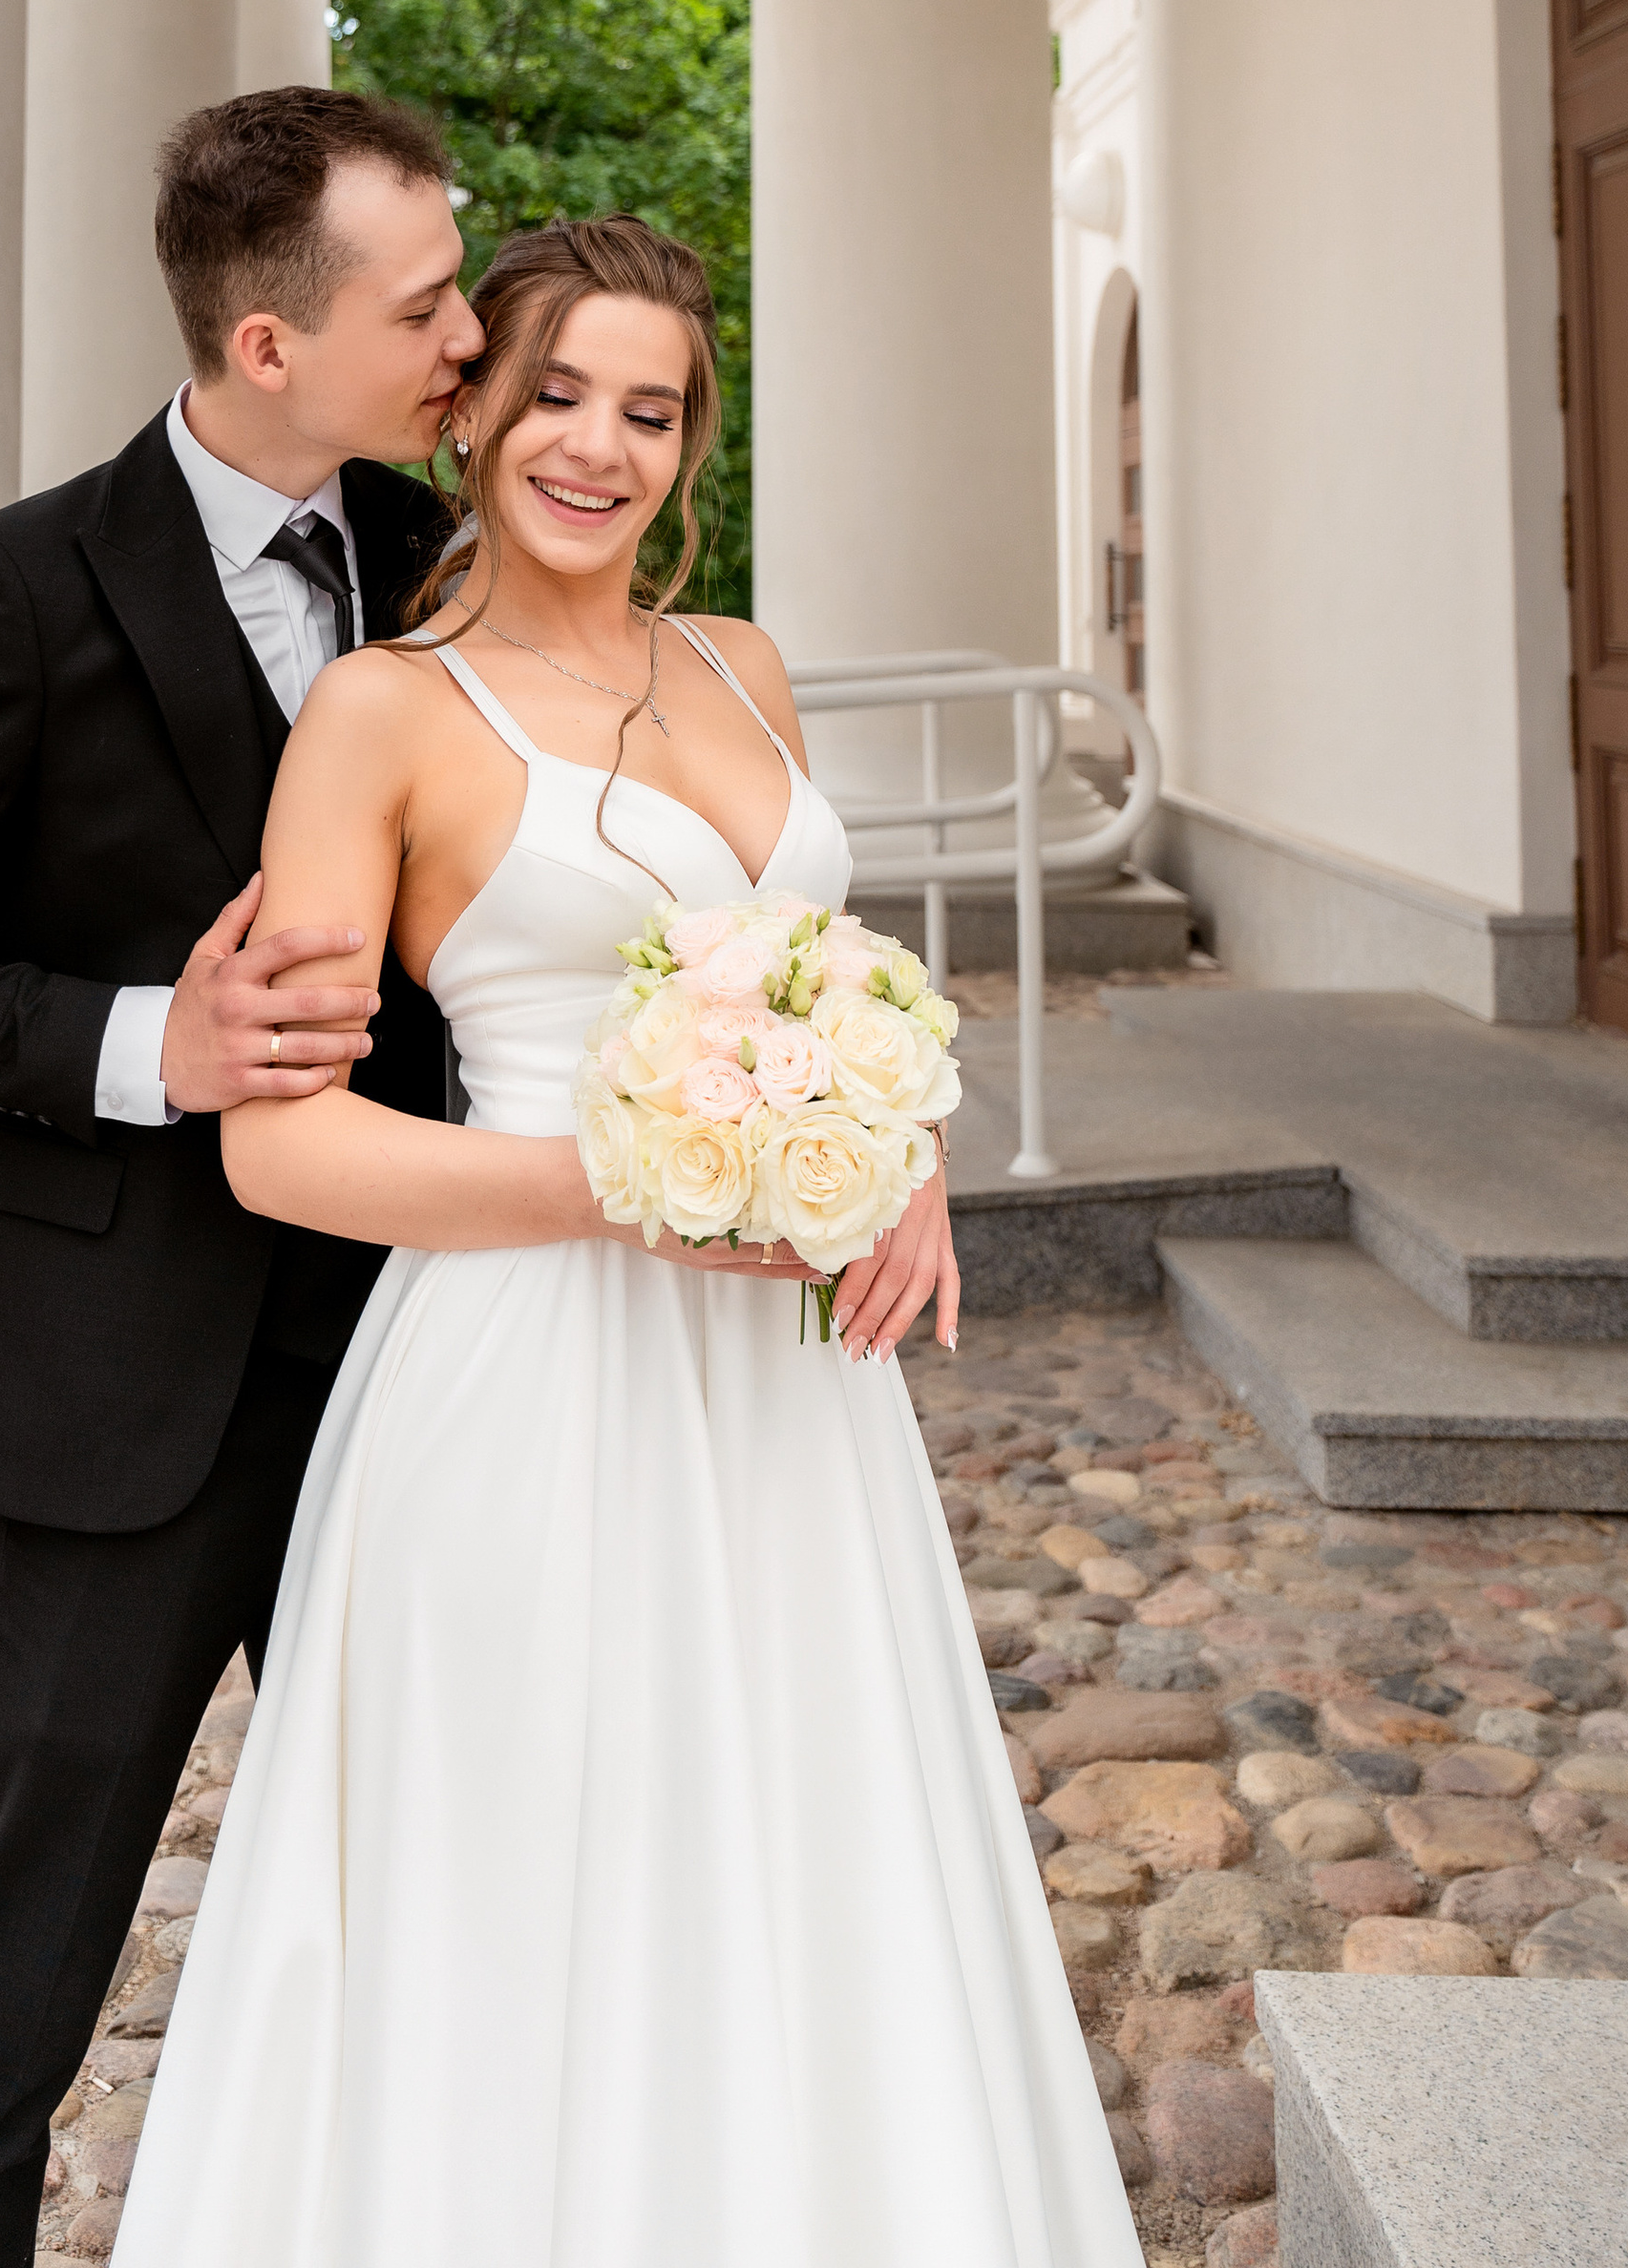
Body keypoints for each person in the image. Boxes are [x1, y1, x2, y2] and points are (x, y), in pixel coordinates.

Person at [114, 211, 1144, 2268]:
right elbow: (282, 1151)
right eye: (554, 393)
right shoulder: (383, 719)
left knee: (806, 1832)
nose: (597, 446)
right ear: (474, 403)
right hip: (521, 1377)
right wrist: (644, 1188)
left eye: (650, 410)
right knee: (534, 1863)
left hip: (785, 1395)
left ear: (690, 444)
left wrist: (891, 1143)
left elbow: (821, 984)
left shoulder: (739, 668)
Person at [0, 86, 488, 2266]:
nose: (467, 336)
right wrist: (132, 1047)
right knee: (21, 1963)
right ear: (268, 341)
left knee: (431, 1898)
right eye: (429, 299)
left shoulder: (441, 559)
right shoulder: (15, 584)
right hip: (118, 1391)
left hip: (415, 1360)